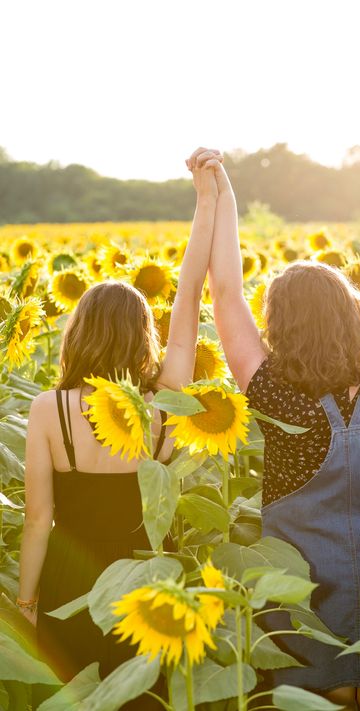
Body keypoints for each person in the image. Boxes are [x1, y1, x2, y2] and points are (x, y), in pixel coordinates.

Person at [187, 150, 360, 711]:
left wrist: (219, 195)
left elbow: (223, 292)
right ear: (353, 310)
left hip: (303, 610)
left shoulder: (274, 388)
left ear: (281, 324)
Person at [17, 150, 222, 705]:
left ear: (76, 333)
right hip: (148, 579)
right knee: (142, 697)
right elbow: (188, 297)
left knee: (75, 695)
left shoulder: (47, 409)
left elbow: (38, 521)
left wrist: (28, 602)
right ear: (142, 337)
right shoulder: (162, 402)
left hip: (69, 581)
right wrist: (207, 200)